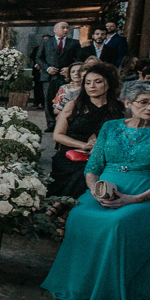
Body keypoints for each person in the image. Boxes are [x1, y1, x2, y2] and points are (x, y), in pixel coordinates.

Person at [41, 81, 150, 300]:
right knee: (79, 215)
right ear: (128, 103)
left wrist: (133, 199)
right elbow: (93, 166)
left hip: (148, 194)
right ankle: (80, 285)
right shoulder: (110, 127)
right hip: (104, 189)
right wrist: (94, 190)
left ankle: (110, 290)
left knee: (117, 223)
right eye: (144, 102)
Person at [48, 64, 124, 201]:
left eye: (98, 82)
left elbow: (125, 138)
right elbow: (58, 135)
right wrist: (83, 145)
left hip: (104, 156)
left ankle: (65, 208)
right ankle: (63, 206)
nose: (92, 86)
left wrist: (100, 149)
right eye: (88, 83)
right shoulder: (74, 105)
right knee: (80, 173)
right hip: (70, 154)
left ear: (109, 84)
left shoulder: (120, 109)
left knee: (88, 173)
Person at [36, 22, 81, 132]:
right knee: (49, 100)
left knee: (66, 99)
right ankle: (51, 123)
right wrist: (47, 68)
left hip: (65, 77)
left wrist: (69, 68)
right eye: (63, 27)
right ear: (55, 30)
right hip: (49, 77)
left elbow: (79, 58)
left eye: (67, 28)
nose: (66, 30)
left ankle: (65, 122)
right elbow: (39, 58)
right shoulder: (46, 42)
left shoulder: (74, 43)